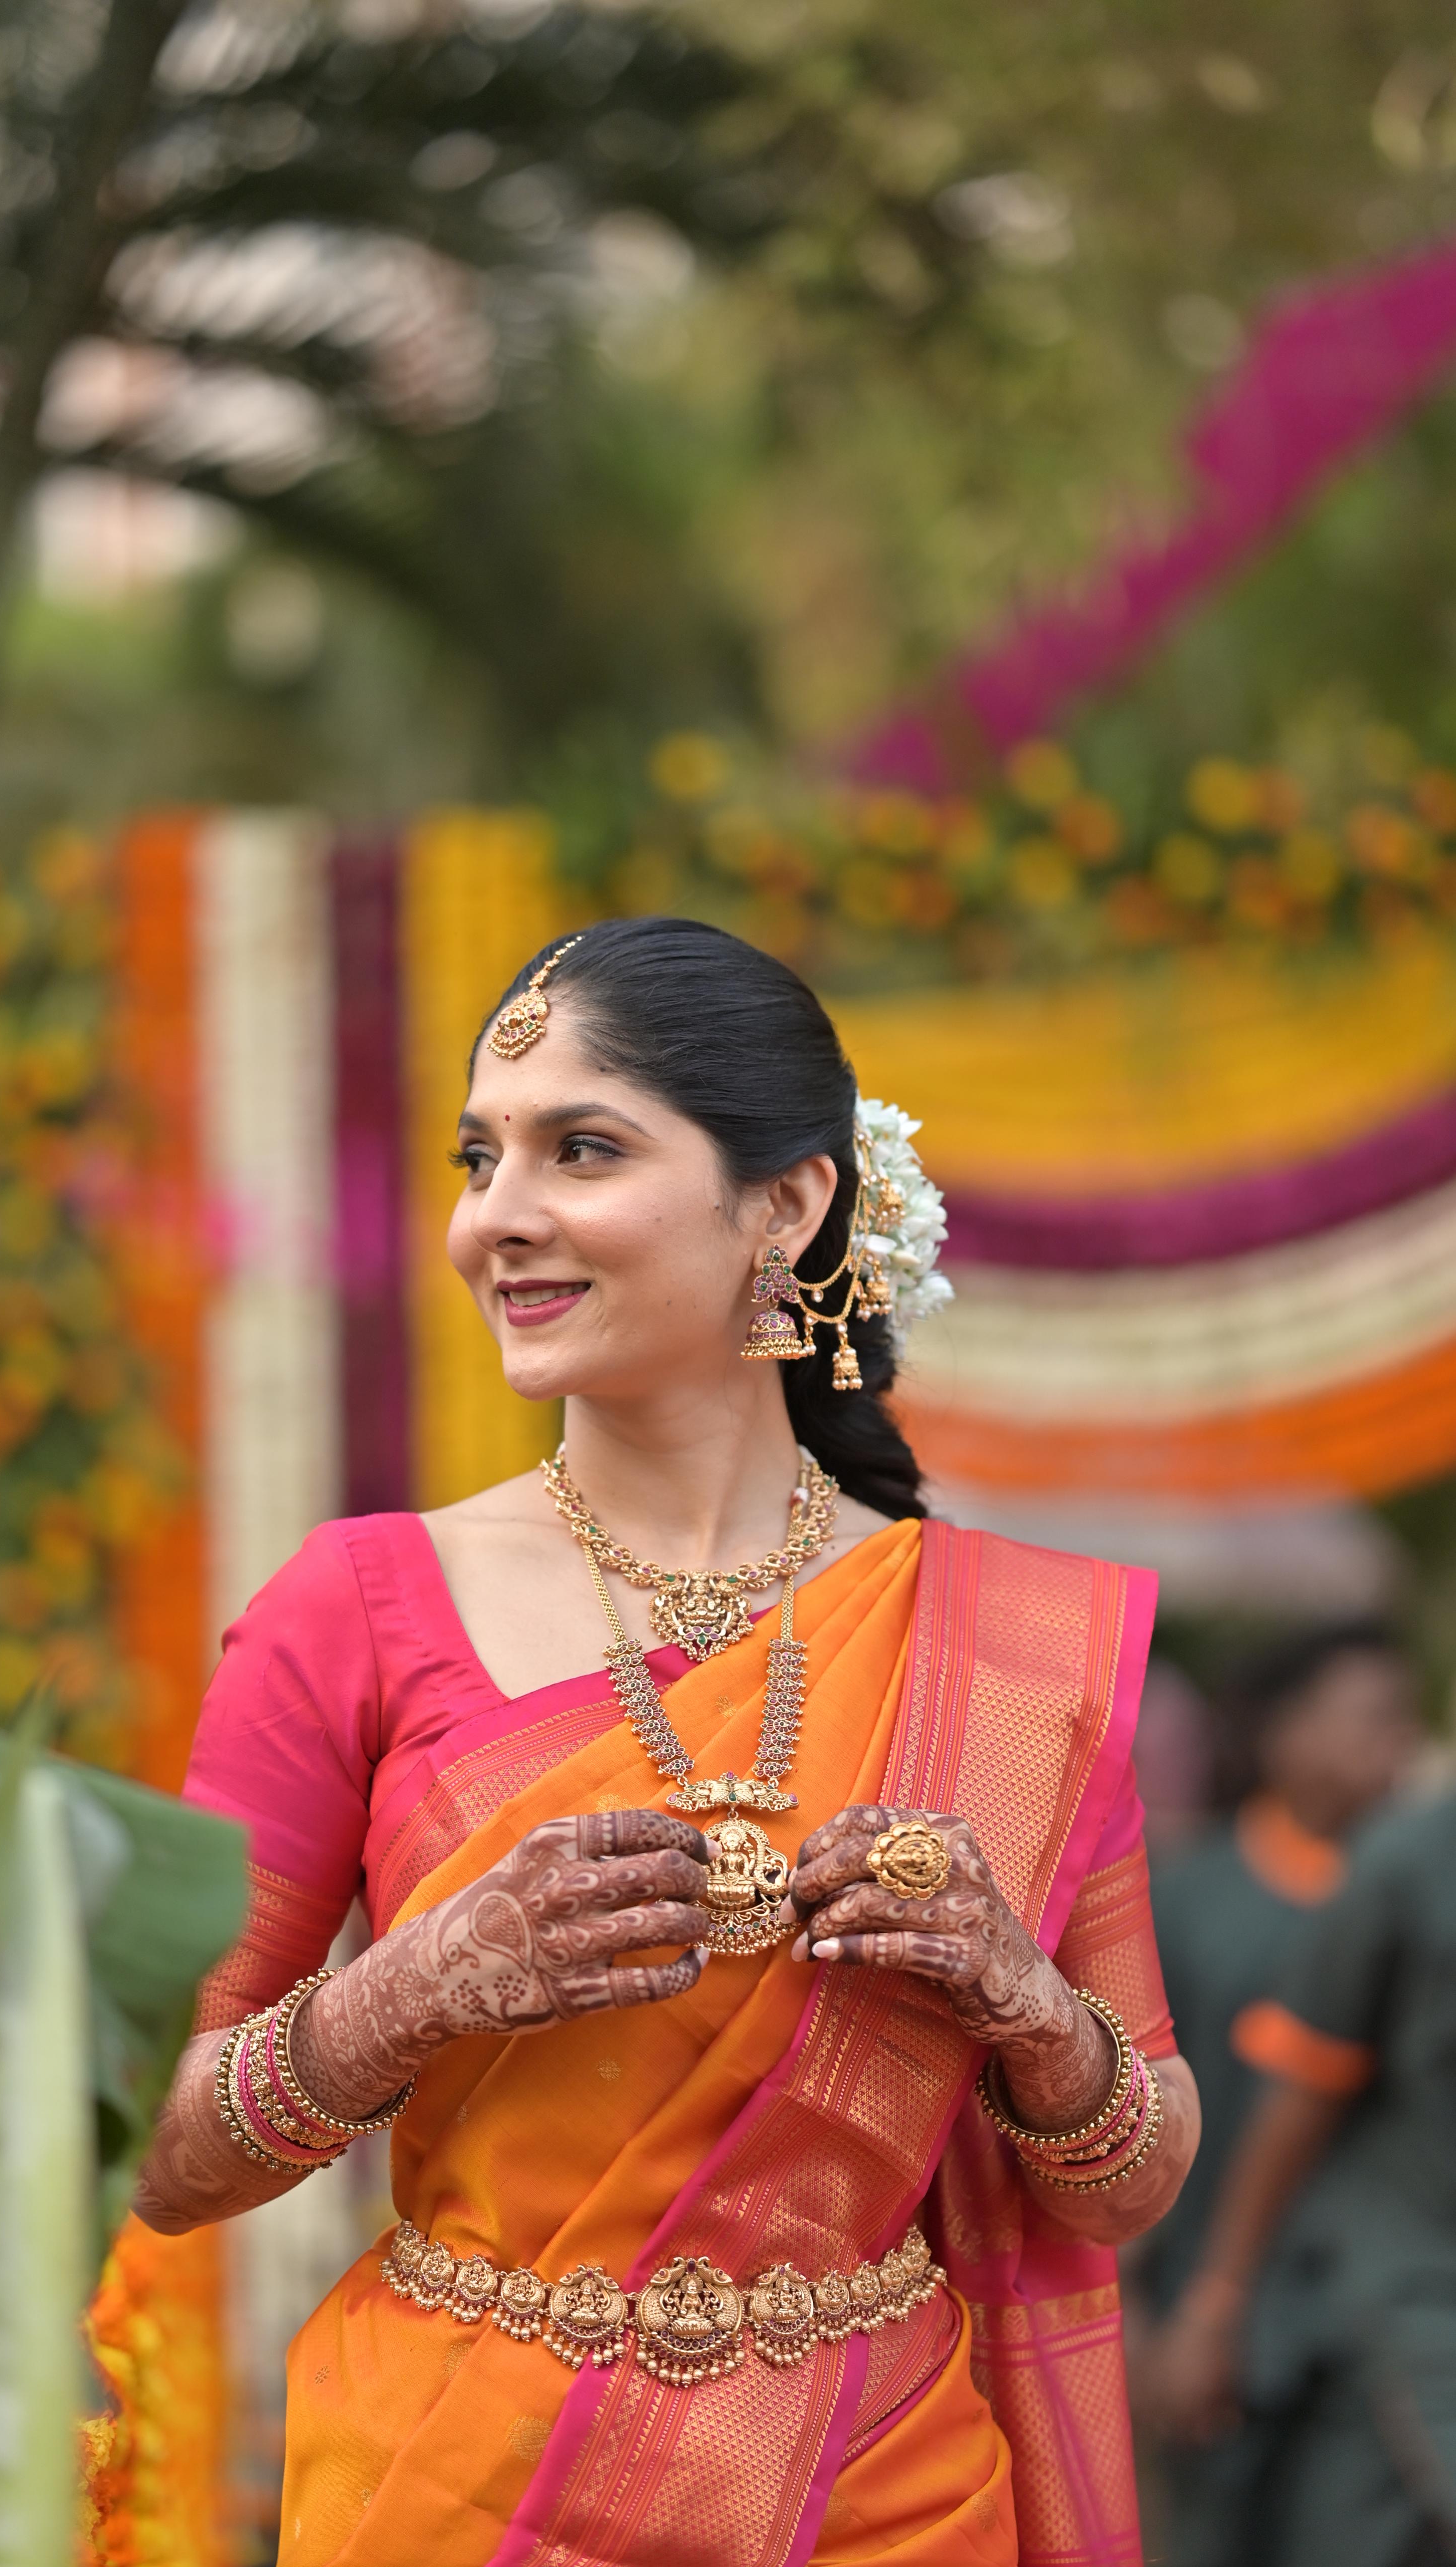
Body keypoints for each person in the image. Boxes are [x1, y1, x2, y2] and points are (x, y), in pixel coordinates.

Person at [133, 916, 1197, 2566]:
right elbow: (149, 2146)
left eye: (584, 1149)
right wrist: (408, 1992)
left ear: (783, 1205)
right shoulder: (348, 1606)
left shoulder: (1007, 1652)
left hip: (885, 2500)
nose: (500, 1217)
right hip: (462, 2491)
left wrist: (1025, 2009)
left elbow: (1124, 2180)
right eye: (479, 1157)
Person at [1137, 1626, 1420, 2563]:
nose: (1396, 1747)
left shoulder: (1416, 1899)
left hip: (1369, 2318)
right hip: (1211, 2306)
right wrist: (1143, 2313)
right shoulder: (1186, 1902)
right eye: (1370, 1719)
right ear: (1281, 1736)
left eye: (1404, 1722)